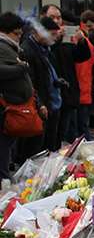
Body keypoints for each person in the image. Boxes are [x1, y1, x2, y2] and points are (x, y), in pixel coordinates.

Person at [18, 16, 63, 157]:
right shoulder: (28, 51)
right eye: (51, 34)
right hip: (39, 106)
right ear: (39, 32)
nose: (54, 38)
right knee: (35, 148)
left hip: (52, 104)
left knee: (49, 145)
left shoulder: (45, 49)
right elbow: (29, 81)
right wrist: (40, 103)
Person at [0, 12, 35, 181]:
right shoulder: (2, 46)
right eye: (16, 33)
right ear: (4, 31)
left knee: (7, 143)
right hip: (6, 106)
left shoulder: (9, 46)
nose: (19, 37)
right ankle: (3, 178)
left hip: (13, 105)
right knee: (4, 144)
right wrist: (22, 67)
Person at [51, 15, 90, 146]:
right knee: (53, 133)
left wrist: (81, 42)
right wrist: (56, 40)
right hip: (52, 93)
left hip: (68, 92)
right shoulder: (45, 43)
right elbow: (50, 53)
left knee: (64, 132)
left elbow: (81, 57)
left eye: (58, 18)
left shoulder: (66, 43)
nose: (56, 21)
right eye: (52, 17)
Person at [72, 11, 94, 140]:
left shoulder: (73, 42)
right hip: (86, 90)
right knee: (83, 127)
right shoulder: (88, 43)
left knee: (75, 129)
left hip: (77, 90)